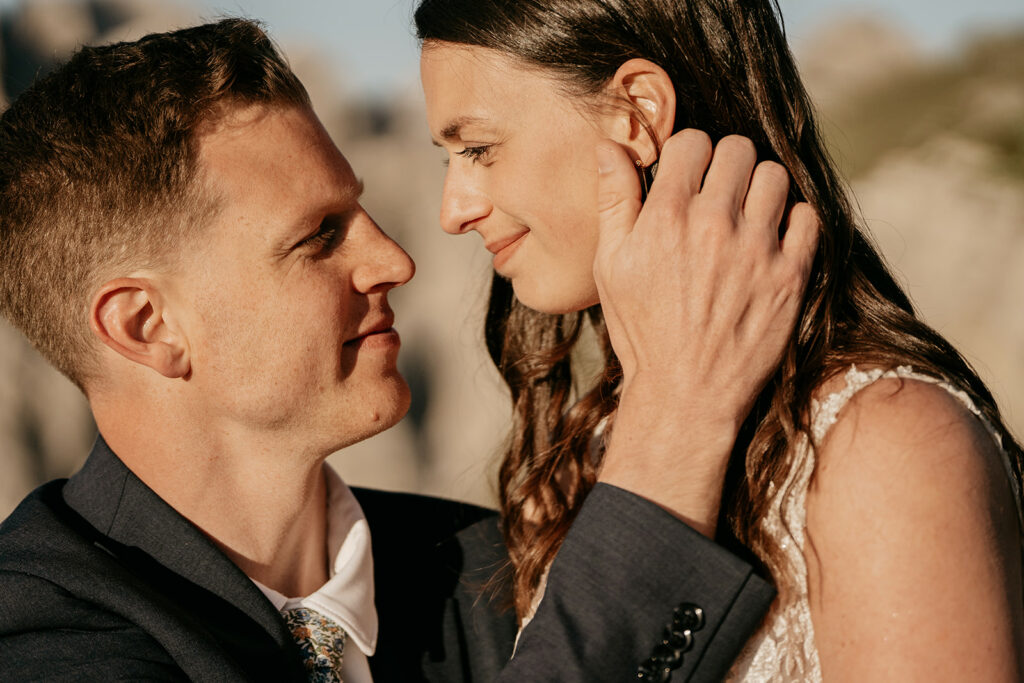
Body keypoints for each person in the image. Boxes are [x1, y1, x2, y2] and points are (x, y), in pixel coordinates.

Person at [0, 18, 818, 682]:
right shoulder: (38, 639)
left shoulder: (495, 567)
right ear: (146, 325)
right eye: (319, 236)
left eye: (360, 214)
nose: (394, 260)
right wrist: (671, 428)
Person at [415, 0, 1024, 680]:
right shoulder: (593, 452)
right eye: (448, 159)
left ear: (636, 113)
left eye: (479, 149)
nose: (453, 211)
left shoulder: (882, 440)